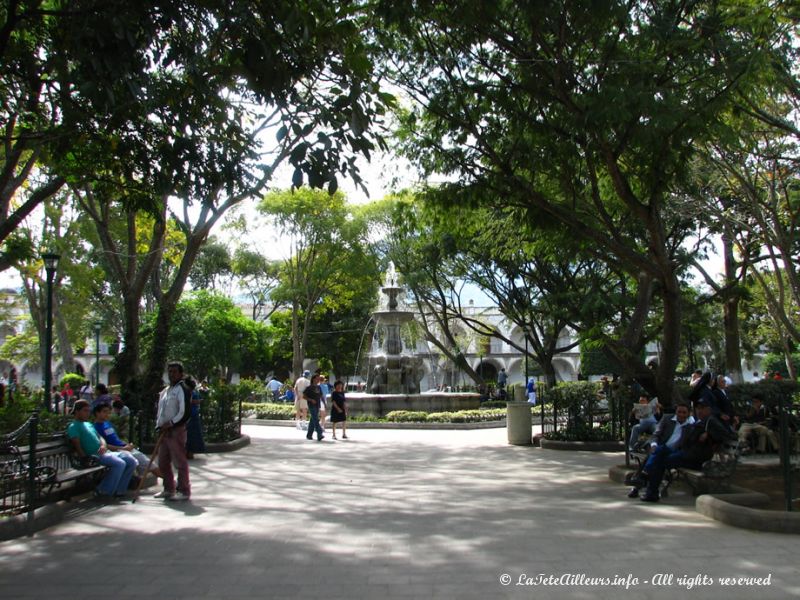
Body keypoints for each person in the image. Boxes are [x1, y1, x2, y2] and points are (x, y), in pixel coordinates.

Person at [637, 397, 737, 503]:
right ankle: (648, 483)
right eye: (698, 408)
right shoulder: (699, 421)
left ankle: (648, 485)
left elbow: (729, 435)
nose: (699, 411)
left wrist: (709, 435)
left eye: (702, 408)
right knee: (660, 451)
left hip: (696, 458)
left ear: (708, 409)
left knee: (660, 460)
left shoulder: (711, 420)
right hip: (686, 454)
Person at [68, 399, 137, 500]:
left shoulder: (88, 424)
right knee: (120, 463)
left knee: (131, 461)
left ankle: (119, 490)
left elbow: (101, 438)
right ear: (77, 411)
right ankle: (103, 491)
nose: (88, 413)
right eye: (85, 410)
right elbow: (77, 444)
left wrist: (103, 445)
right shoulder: (73, 426)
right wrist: (84, 458)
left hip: (105, 452)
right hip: (94, 456)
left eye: (88, 410)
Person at [626, 402, 694, 498]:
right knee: (657, 456)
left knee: (655, 455)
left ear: (688, 414)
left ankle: (641, 480)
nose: (681, 415)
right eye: (679, 412)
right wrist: (653, 444)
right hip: (659, 449)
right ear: (676, 412)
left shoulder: (690, 427)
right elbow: (656, 435)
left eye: (684, 413)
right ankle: (651, 492)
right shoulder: (667, 419)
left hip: (673, 453)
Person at [154, 361, 192, 501]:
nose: (171, 374)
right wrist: (159, 425)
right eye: (170, 371)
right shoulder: (166, 390)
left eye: (174, 372)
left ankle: (184, 490)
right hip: (164, 431)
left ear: (181, 374)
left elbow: (184, 412)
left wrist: (171, 423)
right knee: (163, 461)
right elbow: (160, 410)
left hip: (176, 430)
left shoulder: (182, 389)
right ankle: (168, 488)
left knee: (179, 461)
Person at [92, 403, 160, 478]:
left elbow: (115, 439)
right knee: (142, 462)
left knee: (150, 464)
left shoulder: (107, 424)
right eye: (104, 412)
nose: (107, 414)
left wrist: (127, 444)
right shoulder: (95, 428)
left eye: (108, 412)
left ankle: (169, 483)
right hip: (117, 451)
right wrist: (123, 448)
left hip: (124, 447)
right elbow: (105, 445)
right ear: (97, 413)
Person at [184, 376, 206, 459]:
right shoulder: (189, 392)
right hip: (190, 415)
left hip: (193, 414)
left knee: (192, 435)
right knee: (189, 435)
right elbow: (190, 401)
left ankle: (190, 452)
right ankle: (188, 452)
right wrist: (197, 401)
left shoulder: (194, 392)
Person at [303, 373, 325, 441]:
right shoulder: (309, 388)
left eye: (319, 379)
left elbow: (321, 396)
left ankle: (309, 435)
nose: (318, 380)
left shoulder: (318, 387)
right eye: (317, 378)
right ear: (313, 379)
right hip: (311, 405)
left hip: (317, 405)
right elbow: (304, 396)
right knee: (316, 419)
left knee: (313, 420)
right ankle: (319, 433)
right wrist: (311, 400)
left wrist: (324, 403)